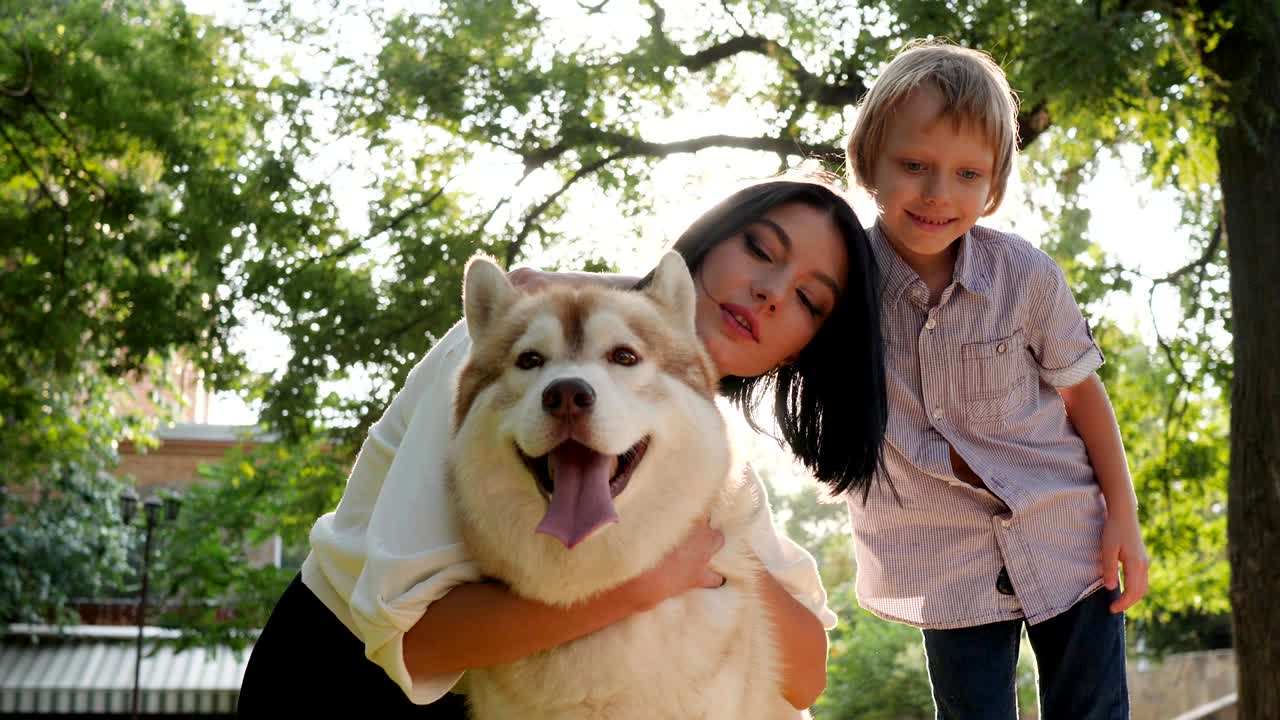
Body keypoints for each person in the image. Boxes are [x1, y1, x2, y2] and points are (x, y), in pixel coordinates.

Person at [237, 175, 889, 717]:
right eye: (758, 248)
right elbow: (413, 642)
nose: (771, 292)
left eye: (807, 298)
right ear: (710, 240)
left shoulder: (702, 449)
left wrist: (712, 549)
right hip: (339, 683)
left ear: (803, 349)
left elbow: (803, 673)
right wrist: (653, 579)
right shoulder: (519, 349)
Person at [841, 40, 1151, 719]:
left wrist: (1122, 517)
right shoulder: (839, 283)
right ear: (869, 161)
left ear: (994, 185)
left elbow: (1082, 394)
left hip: (1065, 532)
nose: (936, 194)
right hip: (939, 557)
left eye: (966, 174)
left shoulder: (1026, 278)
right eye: (914, 165)